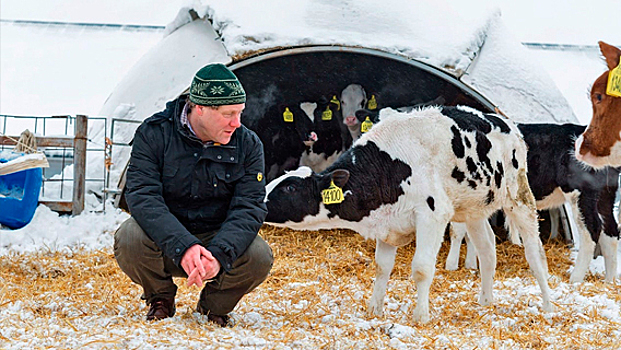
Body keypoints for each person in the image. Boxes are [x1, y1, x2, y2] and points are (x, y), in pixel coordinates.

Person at [114, 63, 273, 327]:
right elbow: (143, 197)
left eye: (240, 113)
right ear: (200, 108)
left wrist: (220, 254)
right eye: (228, 114)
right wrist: (183, 246)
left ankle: (213, 308)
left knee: (259, 255)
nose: (237, 123)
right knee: (129, 237)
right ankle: (160, 299)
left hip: (216, 238)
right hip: (165, 239)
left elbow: (250, 207)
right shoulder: (154, 134)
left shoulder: (248, 144)